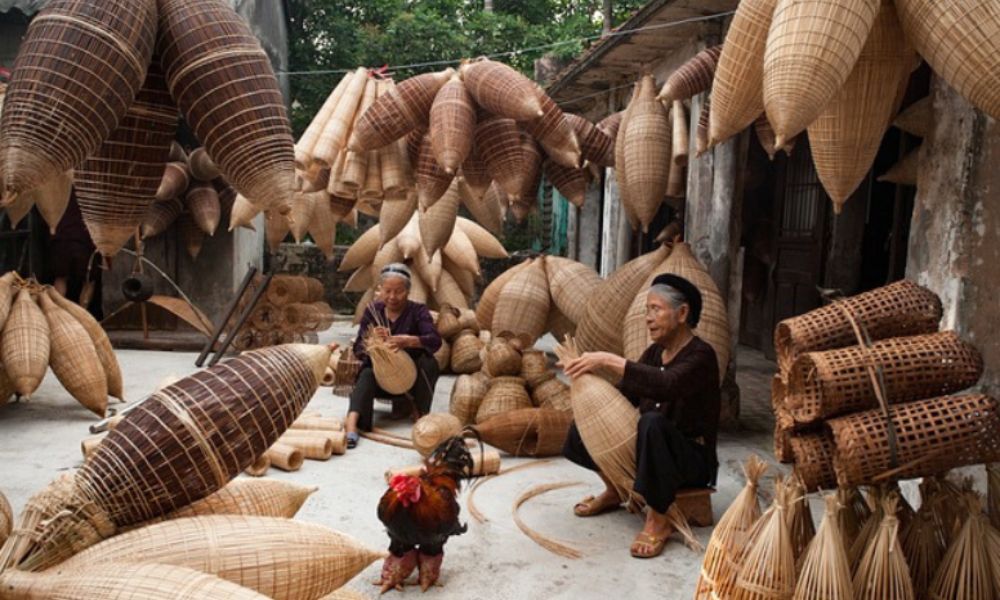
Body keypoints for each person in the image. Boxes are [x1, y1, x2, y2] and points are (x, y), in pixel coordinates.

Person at [560, 273, 720, 559]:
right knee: (584, 427)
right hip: (651, 451)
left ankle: (658, 520)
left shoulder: (702, 355)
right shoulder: (654, 353)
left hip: (690, 459)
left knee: (652, 422)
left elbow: (667, 384)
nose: (648, 318)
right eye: (647, 310)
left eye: (655, 309)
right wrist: (589, 390)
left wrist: (608, 359)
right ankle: (614, 489)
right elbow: (624, 395)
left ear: (682, 313)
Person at [345, 263, 442, 449]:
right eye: (387, 291)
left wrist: (410, 341)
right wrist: (373, 341)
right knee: (366, 373)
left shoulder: (418, 311)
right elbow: (358, 348)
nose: (392, 297)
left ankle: (421, 412)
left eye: (398, 291)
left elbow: (434, 341)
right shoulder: (373, 311)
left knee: (430, 363)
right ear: (380, 290)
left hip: (411, 381)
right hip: (382, 380)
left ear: (408, 291)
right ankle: (353, 423)